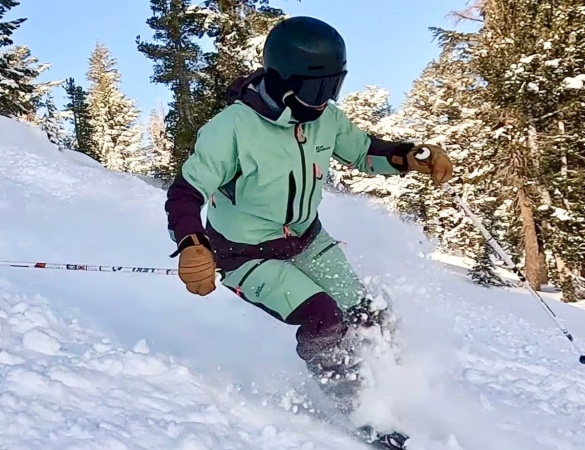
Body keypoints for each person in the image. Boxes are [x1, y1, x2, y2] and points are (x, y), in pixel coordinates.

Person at [164, 15, 453, 415]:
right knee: (324, 318)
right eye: (316, 88)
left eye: (333, 87)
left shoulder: (326, 120)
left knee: (365, 312)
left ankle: (399, 378)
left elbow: (364, 151)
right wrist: (192, 244)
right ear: (281, 79)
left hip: (307, 239)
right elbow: (185, 193)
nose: (323, 100)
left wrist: (408, 156)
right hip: (245, 254)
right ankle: (356, 405)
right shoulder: (232, 128)